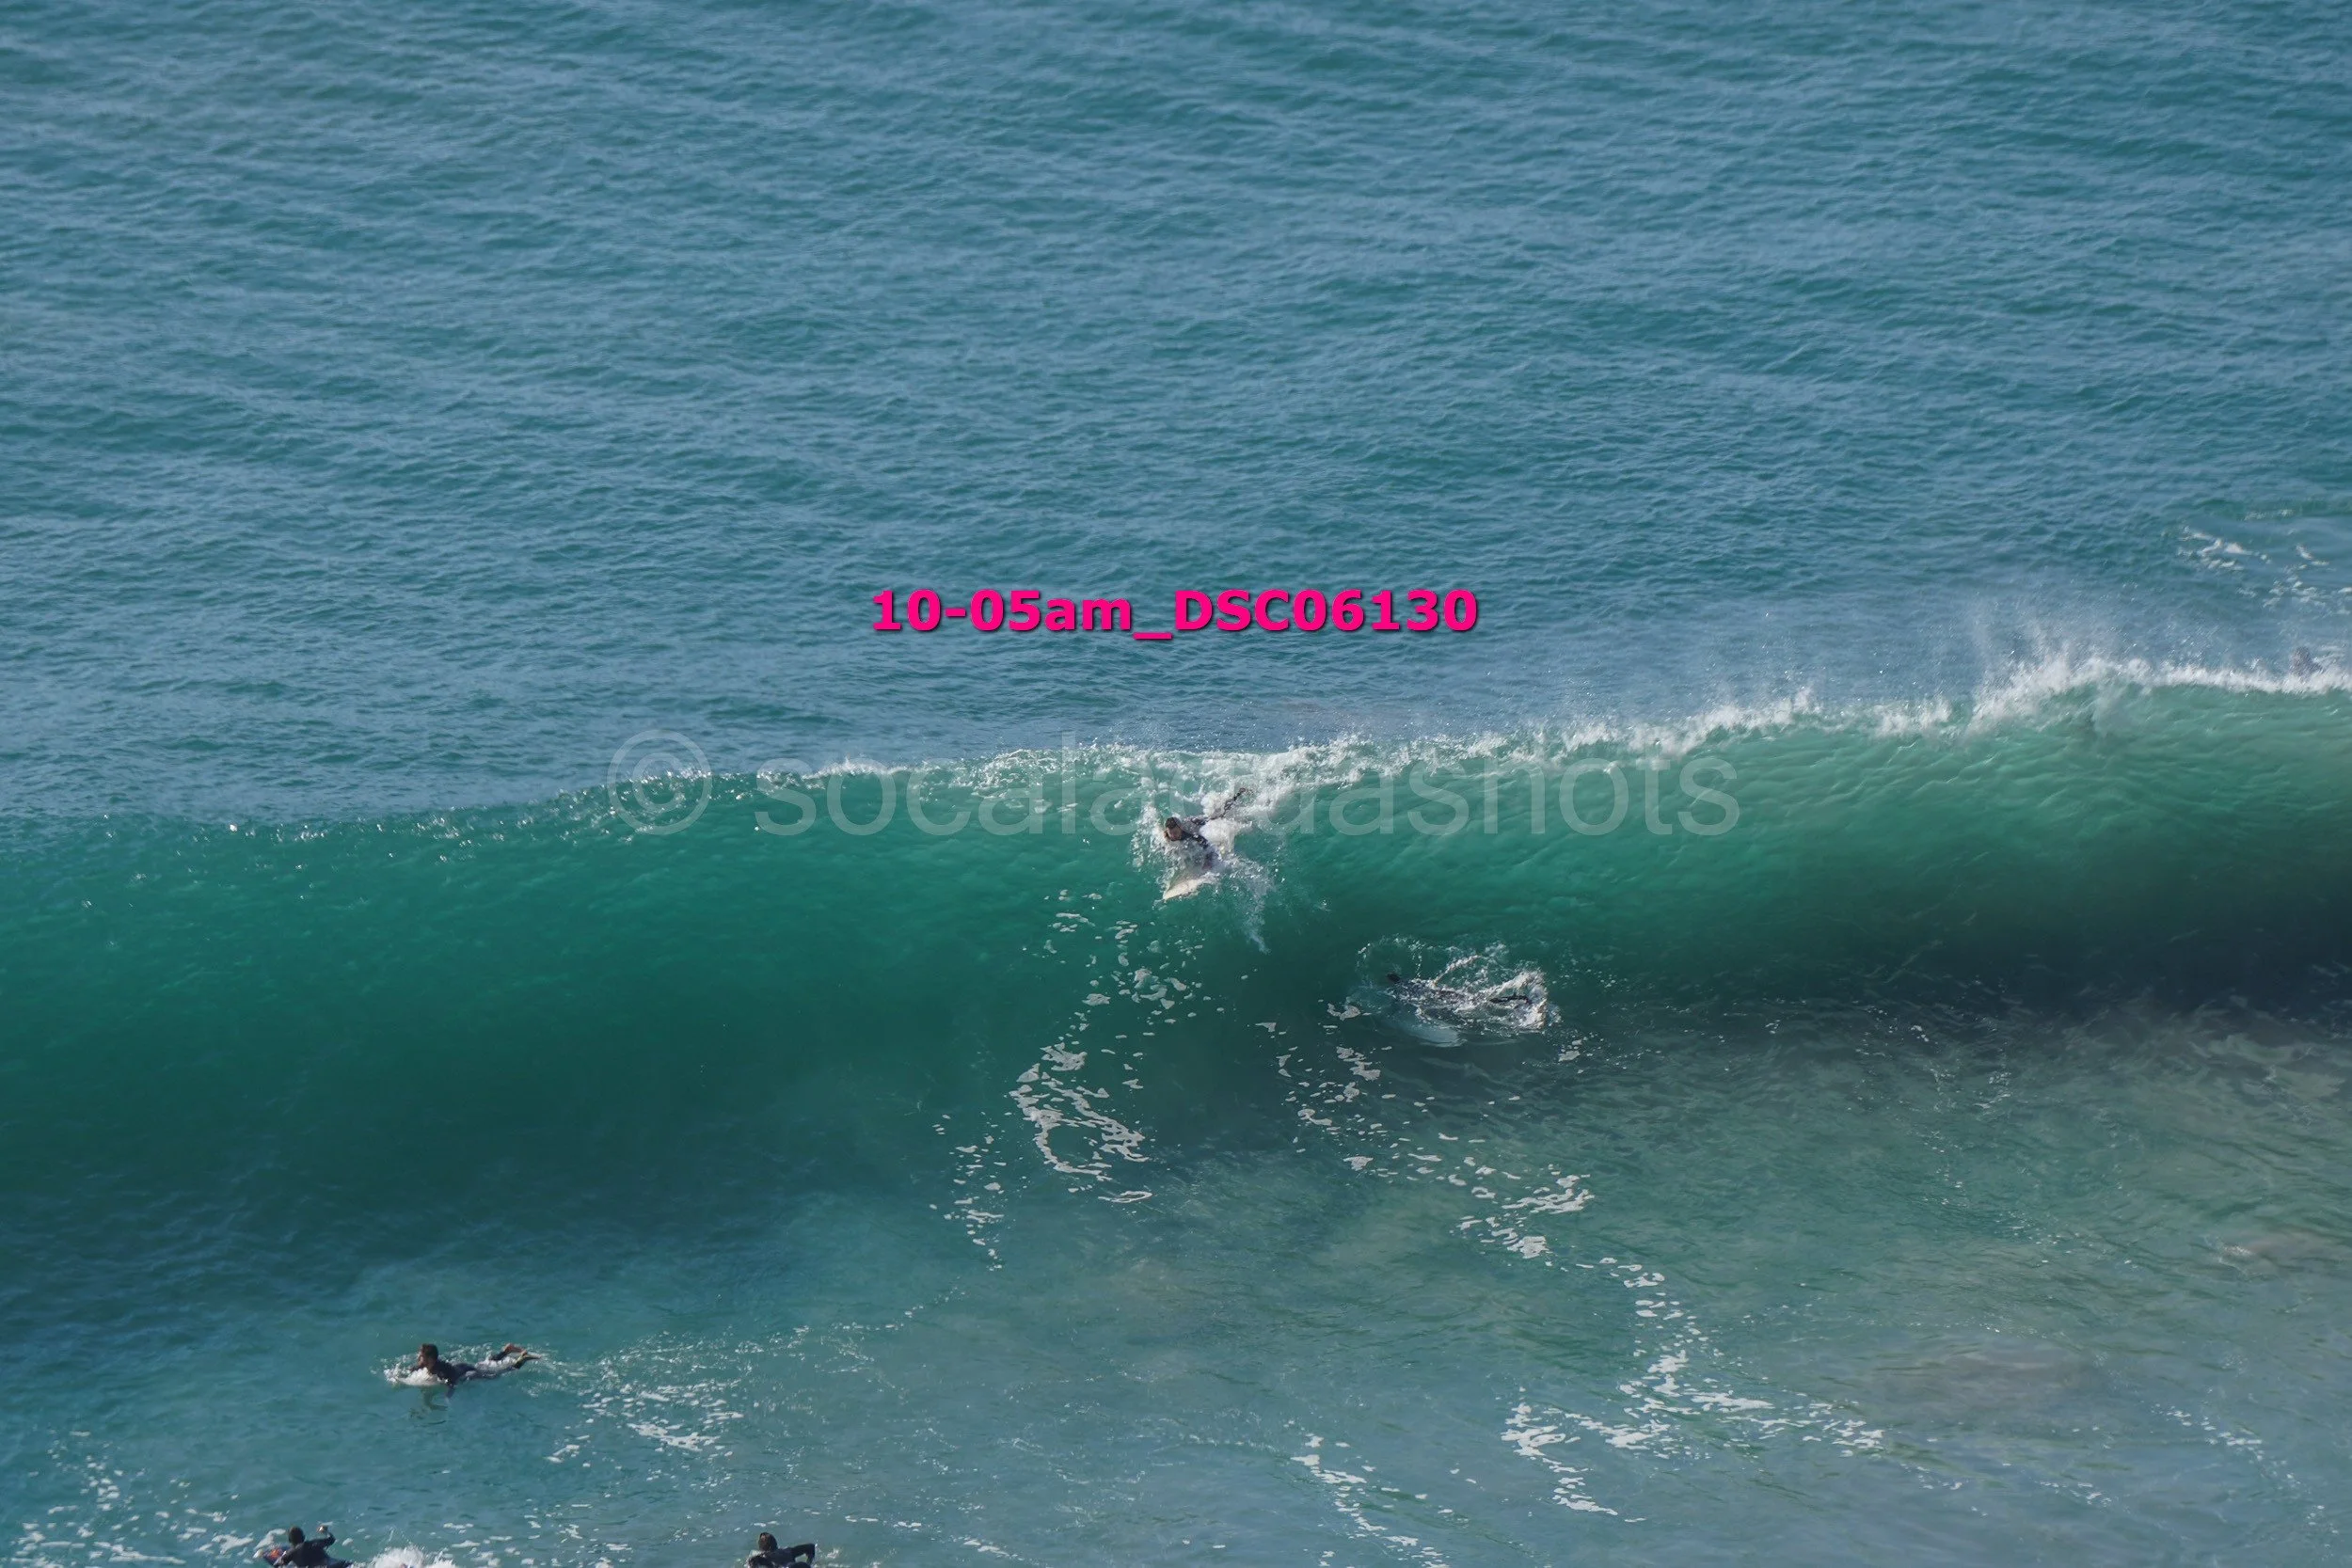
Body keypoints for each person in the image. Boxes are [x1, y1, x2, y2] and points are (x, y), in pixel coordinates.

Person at [413, 1341, 537, 1385]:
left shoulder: (440, 1370)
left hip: (466, 1372)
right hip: (460, 1366)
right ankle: (506, 1351)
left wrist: (448, 1397)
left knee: (494, 1375)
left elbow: (451, 1383)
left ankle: (522, 1360)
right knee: (487, 1363)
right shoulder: (427, 1363)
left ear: (431, 1359)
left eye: (422, 1356)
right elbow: (417, 1367)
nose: (419, 1357)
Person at [261, 1527, 348, 1568]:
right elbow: (331, 1539)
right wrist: (325, 1531)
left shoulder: (291, 1553)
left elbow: (277, 1564)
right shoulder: (316, 1542)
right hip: (341, 1564)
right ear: (304, 1537)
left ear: (290, 1541)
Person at [745, 1532, 815, 1566]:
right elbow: (811, 1547)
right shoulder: (787, 1551)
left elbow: (751, 1561)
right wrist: (809, 1563)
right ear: (776, 1544)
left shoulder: (761, 1558)